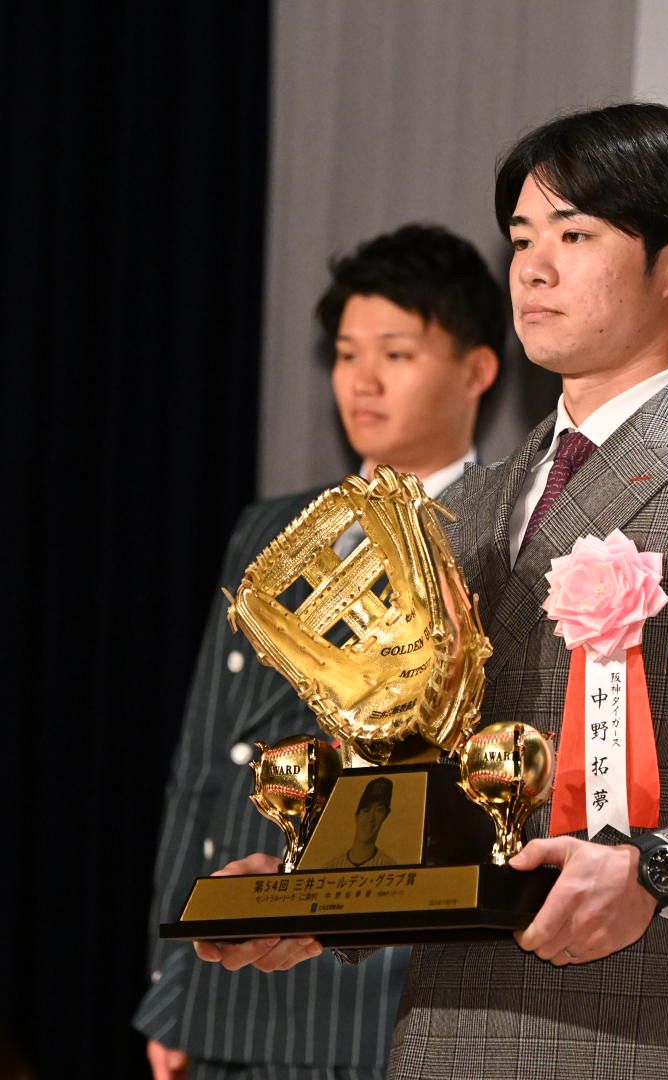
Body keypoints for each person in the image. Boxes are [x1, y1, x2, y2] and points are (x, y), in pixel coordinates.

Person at [194, 102, 668, 1080]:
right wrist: (322, 902)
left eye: (575, 235)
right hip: (449, 1031)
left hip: (647, 1030)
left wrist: (662, 872)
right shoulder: (479, 502)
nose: (532, 267)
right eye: (523, 237)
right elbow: (445, 784)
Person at [134, 223, 504, 1080]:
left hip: (406, 986)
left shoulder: (505, 528)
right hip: (240, 991)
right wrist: (174, 983)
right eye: (345, 353)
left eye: (397, 353)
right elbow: (207, 766)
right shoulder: (271, 532)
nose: (361, 380)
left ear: (478, 368)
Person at [326, 777, 397, 870]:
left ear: (385, 815)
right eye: (366, 810)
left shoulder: (391, 868)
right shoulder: (332, 867)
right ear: (357, 816)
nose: (371, 818)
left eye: (379, 810)